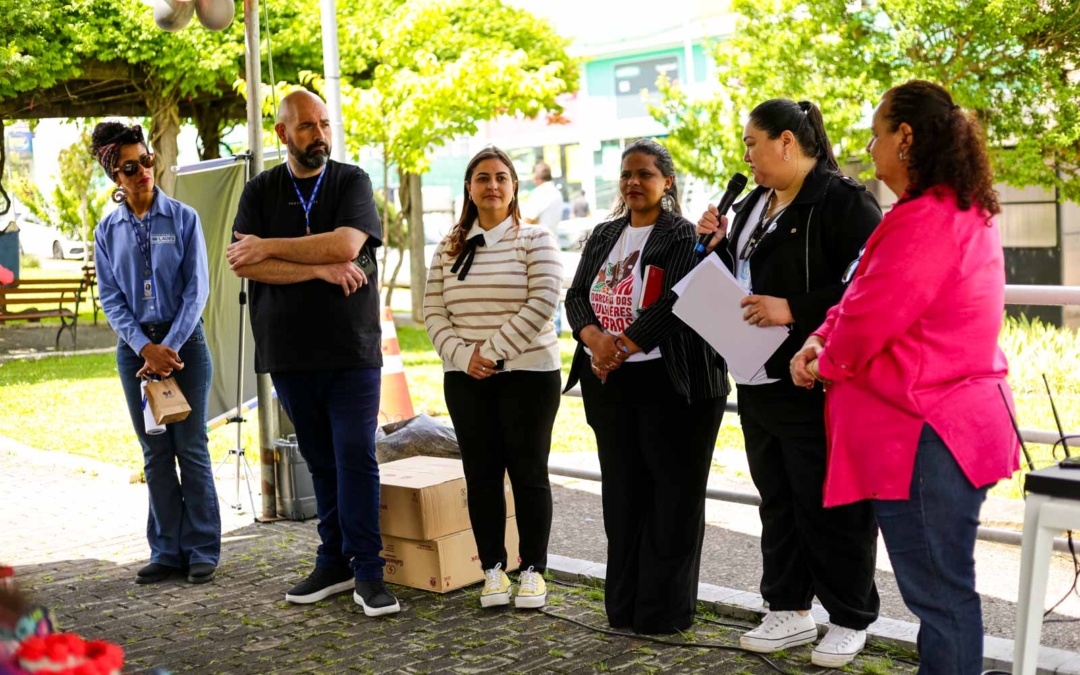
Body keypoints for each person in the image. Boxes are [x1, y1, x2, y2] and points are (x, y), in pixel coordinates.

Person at [791, 80, 1021, 674]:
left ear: (907, 137)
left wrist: (823, 359)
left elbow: (871, 319)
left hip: (925, 432)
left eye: (876, 134)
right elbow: (861, 296)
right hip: (947, 426)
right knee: (945, 592)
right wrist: (821, 334)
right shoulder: (960, 209)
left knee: (940, 597)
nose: (870, 148)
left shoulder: (925, 219)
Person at [695, 99, 881, 666]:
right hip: (757, 375)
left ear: (786, 142)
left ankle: (850, 616)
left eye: (753, 143)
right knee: (776, 496)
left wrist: (793, 310)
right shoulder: (754, 203)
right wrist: (716, 245)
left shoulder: (843, 202)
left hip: (816, 377)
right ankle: (788, 608)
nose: (746, 156)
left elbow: (869, 288)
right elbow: (746, 277)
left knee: (831, 502)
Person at [227, 90, 399, 617]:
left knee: (354, 455)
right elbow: (244, 261)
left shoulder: (352, 181)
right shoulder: (260, 190)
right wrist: (317, 267)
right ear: (282, 134)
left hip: (351, 350)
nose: (318, 134)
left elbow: (347, 245)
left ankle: (370, 573)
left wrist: (274, 246)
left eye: (323, 123)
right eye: (305, 126)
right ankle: (332, 562)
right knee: (321, 460)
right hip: (289, 352)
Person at [565, 138, 728, 635]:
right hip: (610, 382)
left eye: (646, 174)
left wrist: (623, 345)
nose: (634, 182)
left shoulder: (682, 235)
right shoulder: (604, 233)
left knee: (672, 500)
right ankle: (625, 607)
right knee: (623, 496)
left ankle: (663, 614)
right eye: (626, 174)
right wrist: (595, 340)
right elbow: (576, 296)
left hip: (672, 384)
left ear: (667, 182)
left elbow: (676, 303)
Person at [424, 147, 563, 610]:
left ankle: (534, 572)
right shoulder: (449, 246)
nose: (493, 186)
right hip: (466, 378)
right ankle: (493, 572)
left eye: (502, 177)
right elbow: (432, 311)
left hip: (527, 375)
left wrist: (492, 352)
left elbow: (543, 301)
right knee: (481, 476)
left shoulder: (535, 238)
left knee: (528, 474)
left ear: (515, 186)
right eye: (482, 178)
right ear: (469, 187)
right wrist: (465, 356)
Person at [90, 121, 220, 585]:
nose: (144, 170)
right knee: (155, 453)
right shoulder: (107, 230)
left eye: (147, 160)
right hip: (136, 352)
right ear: (115, 176)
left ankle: (203, 547)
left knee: (191, 446)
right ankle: (166, 550)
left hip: (184, 347)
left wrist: (169, 348)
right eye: (131, 166)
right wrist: (144, 347)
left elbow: (196, 289)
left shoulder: (184, 219)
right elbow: (111, 298)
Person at [523, 161, 567, 334]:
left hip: (538, 246)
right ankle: (555, 327)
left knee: (540, 287)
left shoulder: (541, 193)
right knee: (551, 286)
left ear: (536, 177)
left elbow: (528, 218)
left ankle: (550, 329)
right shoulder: (556, 192)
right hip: (553, 243)